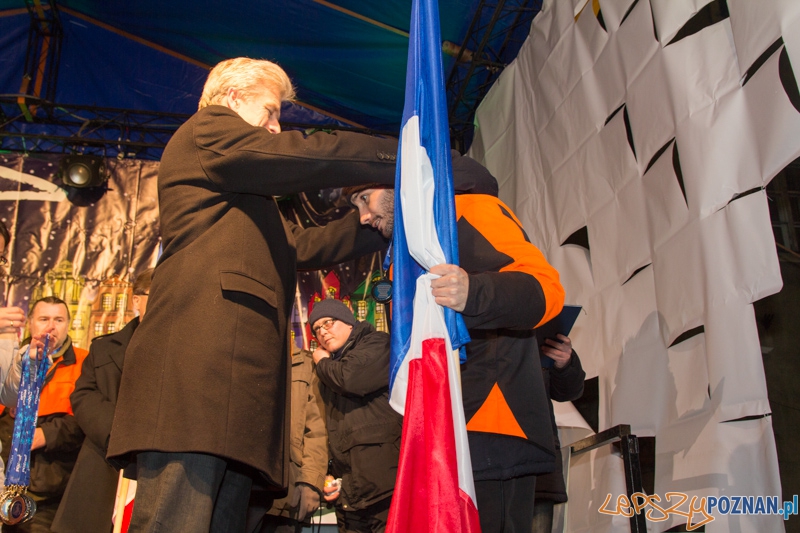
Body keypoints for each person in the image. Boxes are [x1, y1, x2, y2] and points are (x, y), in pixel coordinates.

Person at [106, 57, 399, 533]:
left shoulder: (241, 194)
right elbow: (302, 156)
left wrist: (379, 221)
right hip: (196, 387)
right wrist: (398, 154)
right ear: (232, 98)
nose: (276, 126)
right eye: (270, 111)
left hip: (236, 400)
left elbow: (301, 247)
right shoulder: (208, 130)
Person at [346, 181, 565, 533]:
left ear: (395, 180)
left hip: (493, 423)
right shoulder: (407, 244)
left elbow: (546, 289)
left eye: (364, 199)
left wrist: (473, 293)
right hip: (442, 427)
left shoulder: (469, 208)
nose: (363, 216)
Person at [49, 268, 153, 533]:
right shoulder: (105, 347)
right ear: (136, 299)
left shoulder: (182, 352)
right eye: (154, 295)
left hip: (153, 468)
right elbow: (83, 395)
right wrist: (121, 433)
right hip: (102, 459)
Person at [309, 298, 402, 533]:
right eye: (317, 329)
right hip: (350, 496)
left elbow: (350, 379)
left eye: (328, 322)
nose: (322, 332)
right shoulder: (330, 369)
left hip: (386, 489)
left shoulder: (377, 343)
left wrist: (321, 362)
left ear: (349, 322)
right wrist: (330, 473)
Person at [3, 297, 87, 533]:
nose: (51, 326)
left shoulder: (84, 362)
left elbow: (86, 424)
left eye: (59, 319)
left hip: (52, 491)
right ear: (30, 323)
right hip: (6, 486)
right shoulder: (11, 358)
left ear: (68, 324)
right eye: (44, 319)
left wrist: (45, 434)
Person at [246, 344, 328, 533]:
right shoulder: (248, 356)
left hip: (287, 492)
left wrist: (310, 482)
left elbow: (317, 429)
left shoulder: (306, 365)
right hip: (245, 488)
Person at [532, 334, 586, 533]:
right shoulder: (474, 317)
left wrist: (565, 362)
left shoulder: (537, 320)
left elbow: (569, 391)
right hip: (484, 459)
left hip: (537, 460)